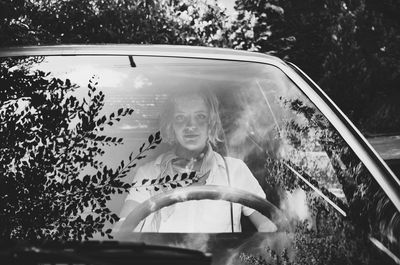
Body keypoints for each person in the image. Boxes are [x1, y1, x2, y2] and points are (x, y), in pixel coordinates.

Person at [114, 89, 277, 233]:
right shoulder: (148, 173)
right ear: (171, 125)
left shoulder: (235, 170)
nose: (190, 125)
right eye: (180, 118)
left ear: (211, 123)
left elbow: (268, 226)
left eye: (200, 116)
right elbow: (123, 227)